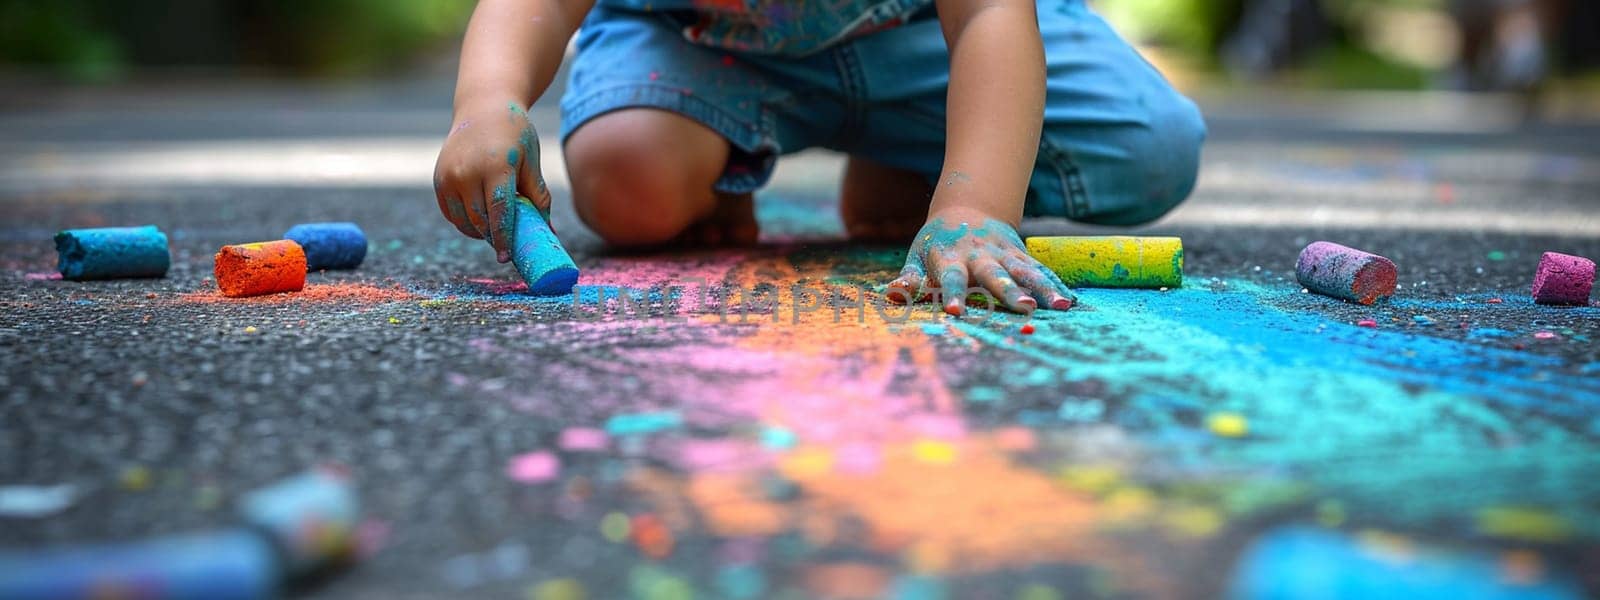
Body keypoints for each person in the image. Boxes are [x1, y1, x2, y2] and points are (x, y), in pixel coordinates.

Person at [433, 0, 1205, 315]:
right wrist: (487, 100)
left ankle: (924, 163)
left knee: (1153, 145)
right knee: (625, 179)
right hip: (703, 47)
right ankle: (717, 170)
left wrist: (974, 205)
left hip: (923, 39)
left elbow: (989, 17)